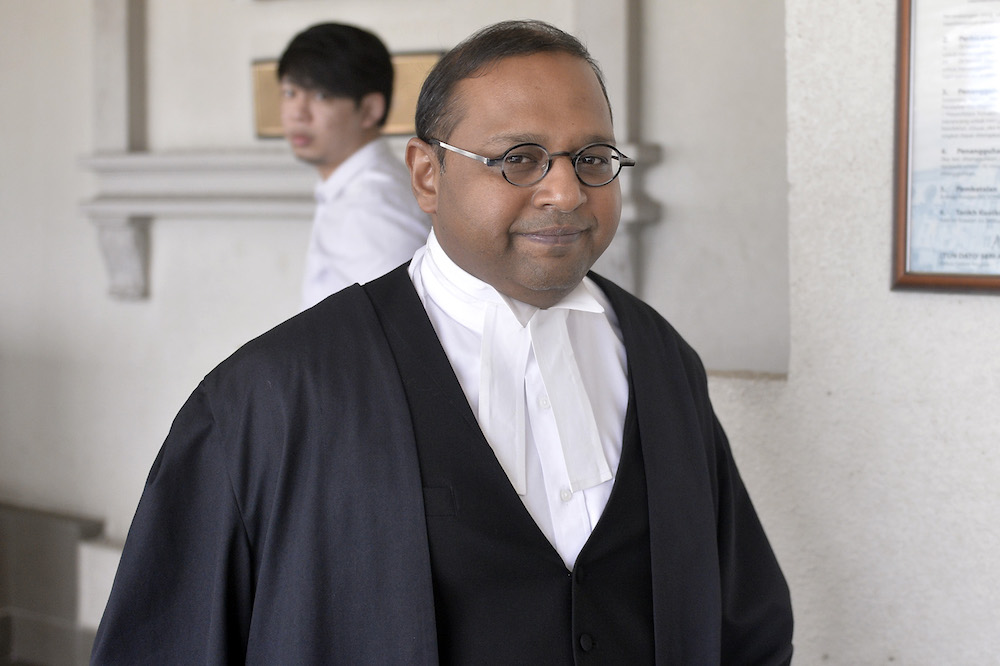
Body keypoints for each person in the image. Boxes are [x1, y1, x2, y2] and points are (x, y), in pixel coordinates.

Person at [92, 20, 793, 664]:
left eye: (592, 157)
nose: (566, 192)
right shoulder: (267, 399)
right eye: (519, 158)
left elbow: (744, 621)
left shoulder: (661, 359)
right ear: (428, 175)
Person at [278, 22, 431, 309]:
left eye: (322, 96)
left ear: (370, 109)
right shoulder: (355, 189)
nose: (298, 113)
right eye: (290, 92)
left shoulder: (372, 203)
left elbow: (395, 332)